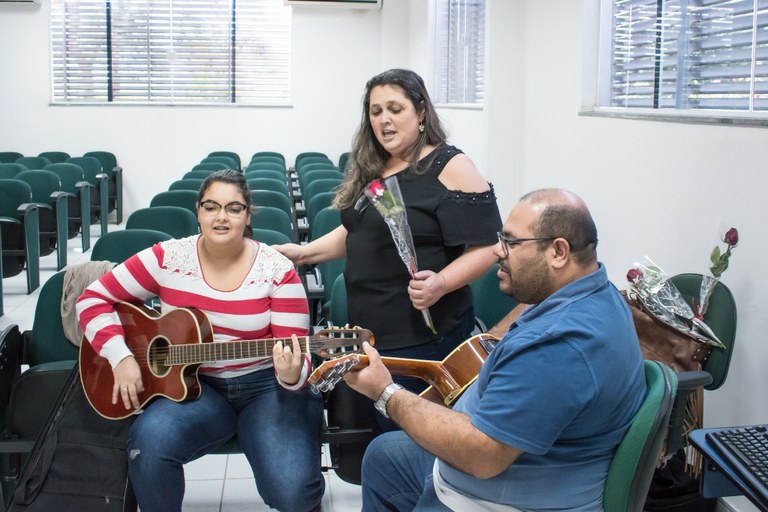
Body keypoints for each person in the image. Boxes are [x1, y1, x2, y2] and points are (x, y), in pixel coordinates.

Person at [343, 188, 648, 511]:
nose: (498, 251)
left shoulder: (560, 346)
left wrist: (386, 393)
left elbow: (481, 457)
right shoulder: (595, 291)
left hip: (495, 497)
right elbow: (527, 316)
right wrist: (487, 341)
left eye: (512, 243)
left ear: (558, 251)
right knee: (384, 455)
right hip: (521, 468)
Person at [76, 169, 324, 512]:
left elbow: (299, 358)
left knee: (292, 492)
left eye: (234, 208)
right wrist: (120, 356)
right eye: (211, 207)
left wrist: (291, 374)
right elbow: (92, 298)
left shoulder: (277, 270)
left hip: (266, 389)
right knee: (149, 443)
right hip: (193, 388)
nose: (221, 217)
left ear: (248, 215)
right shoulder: (168, 258)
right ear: (198, 211)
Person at [275, 68, 502, 397]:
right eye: (376, 111)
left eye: (395, 109)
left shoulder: (450, 166)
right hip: (371, 333)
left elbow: (489, 246)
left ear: (421, 112)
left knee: (411, 436)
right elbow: (361, 232)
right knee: (380, 435)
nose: (384, 120)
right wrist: (304, 253)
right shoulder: (376, 165)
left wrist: (442, 283)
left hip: (425, 338)